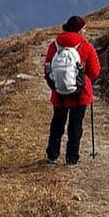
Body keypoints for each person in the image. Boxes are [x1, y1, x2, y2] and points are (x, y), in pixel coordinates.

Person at [43, 15, 101, 165]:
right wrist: (85, 82)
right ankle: (72, 158)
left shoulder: (54, 46)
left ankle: (52, 155)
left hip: (59, 93)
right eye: (84, 28)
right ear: (79, 30)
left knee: (57, 123)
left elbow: (48, 68)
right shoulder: (86, 46)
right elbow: (95, 71)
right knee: (75, 126)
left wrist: (54, 85)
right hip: (80, 94)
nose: (85, 31)